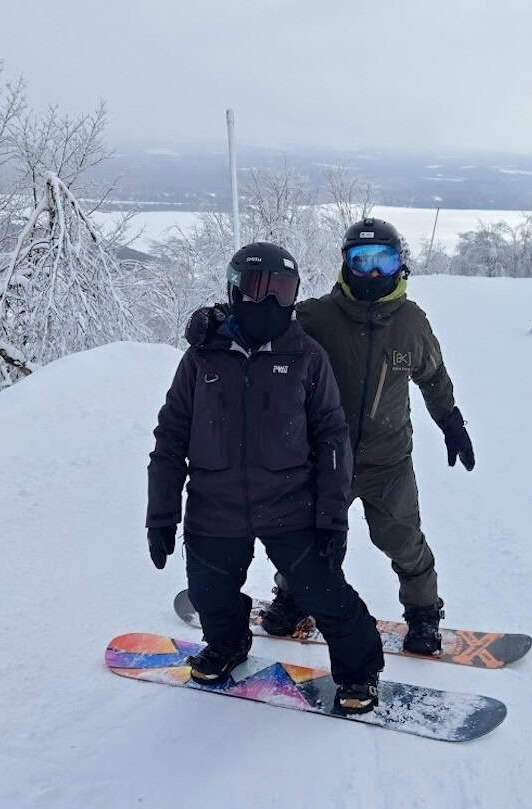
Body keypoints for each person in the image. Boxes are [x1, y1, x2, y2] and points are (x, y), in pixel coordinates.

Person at [187, 219, 476, 657]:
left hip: (388, 462)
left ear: (401, 267)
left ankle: (422, 612)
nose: (373, 273)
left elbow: (433, 377)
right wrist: (219, 322)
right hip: (323, 461)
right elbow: (265, 323)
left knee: (402, 539)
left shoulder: (413, 323)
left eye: (384, 261)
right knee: (308, 540)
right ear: (346, 264)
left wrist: (450, 420)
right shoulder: (318, 316)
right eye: (362, 261)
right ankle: (293, 596)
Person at [147, 242, 385, 714]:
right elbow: (170, 437)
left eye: (282, 290)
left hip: (290, 505)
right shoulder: (202, 358)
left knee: (326, 593)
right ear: (235, 290)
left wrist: (332, 517)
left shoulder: (306, 357)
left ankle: (360, 671)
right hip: (215, 506)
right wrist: (161, 515)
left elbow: (333, 439)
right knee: (208, 594)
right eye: (259, 289)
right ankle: (228, 642)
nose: (270, 302)